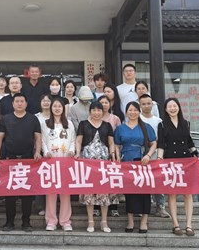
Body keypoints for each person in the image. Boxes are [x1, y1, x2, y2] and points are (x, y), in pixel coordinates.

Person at [0, 93, 42, 232]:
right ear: (13, 104)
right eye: (17, 101)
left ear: (26, 104)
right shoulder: (6, 118)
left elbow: (38, 137)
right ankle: (9, 222)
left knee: (27, 193)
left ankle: (26, 222)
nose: (19, 103)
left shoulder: (33, 119)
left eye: (22, 101)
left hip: (28, 160)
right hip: (10, 160)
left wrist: (38, 151)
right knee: (10, 193)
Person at [157, 97, 199, 237]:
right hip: (170, 161)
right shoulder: (162, 125)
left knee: (188, 193)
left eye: (174, 106)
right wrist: (159, 159)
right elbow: (161, 144)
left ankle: (189, 225)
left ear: (179, 107)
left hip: (186, 161)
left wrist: (195, 153)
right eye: (169, 106)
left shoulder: (186, 123)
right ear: (165, 109)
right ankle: (175, 224)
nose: (172, 108)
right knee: (172, 193)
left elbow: (189, 142)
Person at [114, 101, 157, 234]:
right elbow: (116, 144)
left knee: (144, 192)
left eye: (135, 110)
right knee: (130, 193)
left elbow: (154, 143)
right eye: (130, 110)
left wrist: (148, 155)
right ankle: (130, 220)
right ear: (126, 112)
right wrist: (117, 157)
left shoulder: (146, 127)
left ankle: (144, 221)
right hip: (127, 162)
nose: (133, 112)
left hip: (142, 161)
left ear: (139, 111)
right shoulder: (121, 128)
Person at [76, 101, 118, 233]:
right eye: (93, 110)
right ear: (90, 112)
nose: (96, 113)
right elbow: (79, 140)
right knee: (89, 191)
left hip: (104, 162)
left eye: (99, 110)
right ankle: (91, 222)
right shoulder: (83, 124)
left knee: (104, 191)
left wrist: (112, 155)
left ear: (102, 111)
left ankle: (104, 222)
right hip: (88, 162)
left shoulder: (107, 125)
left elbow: (111, 142)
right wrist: (77, 153)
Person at [41, 98, 76, 231]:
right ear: (51, 108)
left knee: (65, 192)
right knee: (51, 192)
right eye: (54, 106)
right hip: (51, 162)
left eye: (59, 106)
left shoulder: (69, 124)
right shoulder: (45, 124)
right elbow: (42, 140)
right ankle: (51, 221)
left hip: (65, 161)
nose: (57, 108)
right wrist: (46, 152)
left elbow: (73, 140)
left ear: (63, 109)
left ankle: (65, 221)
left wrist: (72, 150)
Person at [139, 93, 169, 219]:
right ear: (140, 105)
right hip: (140, 154)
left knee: (158, 180)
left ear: (152, 104)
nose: (146, 106)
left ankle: (160, 206)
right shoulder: (136, 118)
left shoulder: (158, 121)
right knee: (142, 180)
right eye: (143, 104)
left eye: (148, 103)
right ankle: (142, 207)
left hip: (155, 154)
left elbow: (161, 140)